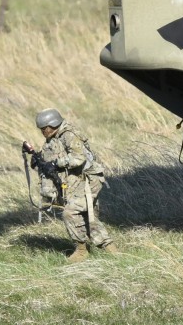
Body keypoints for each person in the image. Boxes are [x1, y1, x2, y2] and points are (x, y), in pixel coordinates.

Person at [33, 108, 116, 262]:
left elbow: (78, 158)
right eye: (41, 129)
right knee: (88, 216)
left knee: (70, 212)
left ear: (53, 125)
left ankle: (81, 250)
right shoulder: (53, 138)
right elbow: (52, 156)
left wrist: (56, 163)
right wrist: (40, 161)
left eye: (44, 129)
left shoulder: (69, 135)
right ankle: (111, 249)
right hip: (75, 181)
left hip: (88, 180)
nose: (43, 132)